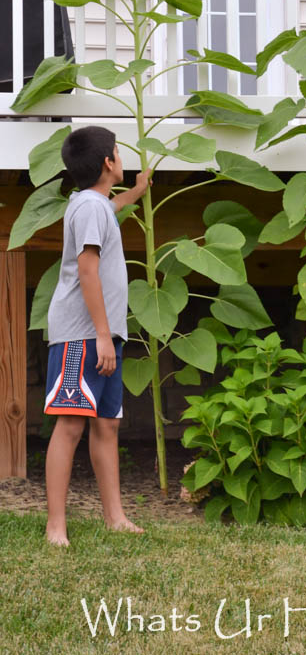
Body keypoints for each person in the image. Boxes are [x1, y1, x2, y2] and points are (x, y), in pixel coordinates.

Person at [44, 125, 151, 546]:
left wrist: (136, 193)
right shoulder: (90, 208)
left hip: (102, 334)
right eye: (119, 154)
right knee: (70, 424)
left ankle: (115, 517)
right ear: (108, 163)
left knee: (107, 424)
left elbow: (111, 208)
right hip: (82, 335)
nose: (122, 160)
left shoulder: (96, 204)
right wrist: (103, 335)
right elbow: (88, 269)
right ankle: (56, 525)